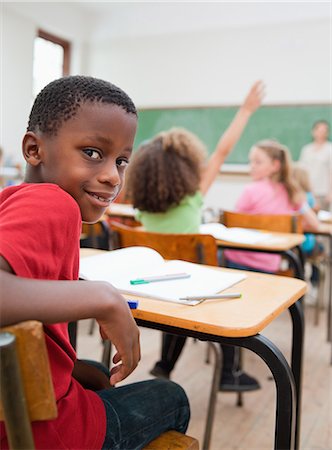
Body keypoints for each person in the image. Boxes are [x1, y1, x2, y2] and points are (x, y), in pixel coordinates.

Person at [0, 75, 190, 450]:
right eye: (91, 153)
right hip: (42, 433)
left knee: (97, 373)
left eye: (121, 160)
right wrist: (102, 298)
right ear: (34, 149)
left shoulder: (11, 200)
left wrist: (72, 368)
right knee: (173, 396)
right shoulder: (53, 203)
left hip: (17, 412)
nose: (111, 175)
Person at [125, 81, 265, 392]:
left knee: (184, 291)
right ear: (186, 169)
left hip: (154, 286)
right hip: (191, 287)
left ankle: (164, 365)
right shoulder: (193, 196)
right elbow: (222, 151)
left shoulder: (141, 206)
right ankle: (228, 372)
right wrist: (245, 111)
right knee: (225, 288)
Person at [224, 140, 320, 274]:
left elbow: (231, 226)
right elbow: (315, 225)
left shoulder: (250, 191)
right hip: (269, 266)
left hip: (237, 262)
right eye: (250, 161)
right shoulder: (293, 192)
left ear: (275, 165)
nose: (251, 166)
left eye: (257, 162)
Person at [292, 163, 324, 287]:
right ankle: (315, 279)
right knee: (321, 247)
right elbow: (315, 221)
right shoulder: (308, 197)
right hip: (306, 245)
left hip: (291, 246)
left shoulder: (288, 197)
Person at [299, 120, 332, 211]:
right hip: (308, 192)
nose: (321, 134)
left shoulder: (329, 148)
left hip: (324, 193)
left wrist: (330, 192)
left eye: (324, 131)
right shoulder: (306, 149)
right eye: (319, 130)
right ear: (313, 132)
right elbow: (302, 172)